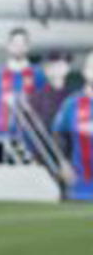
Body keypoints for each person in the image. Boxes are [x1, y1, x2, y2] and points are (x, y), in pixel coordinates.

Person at [0, 28, 46, 146]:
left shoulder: (37, 74)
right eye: (15, 43)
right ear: (8, 46)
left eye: (22, 44)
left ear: (27, 47)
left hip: (29, 139)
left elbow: (42, 108)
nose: (18, 47)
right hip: (2, 137)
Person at [51, 52, 93, 201]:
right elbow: (58, 135)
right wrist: (63, 163)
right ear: (84, 72)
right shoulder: (71, 104)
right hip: (79, 185)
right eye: (91, 66)